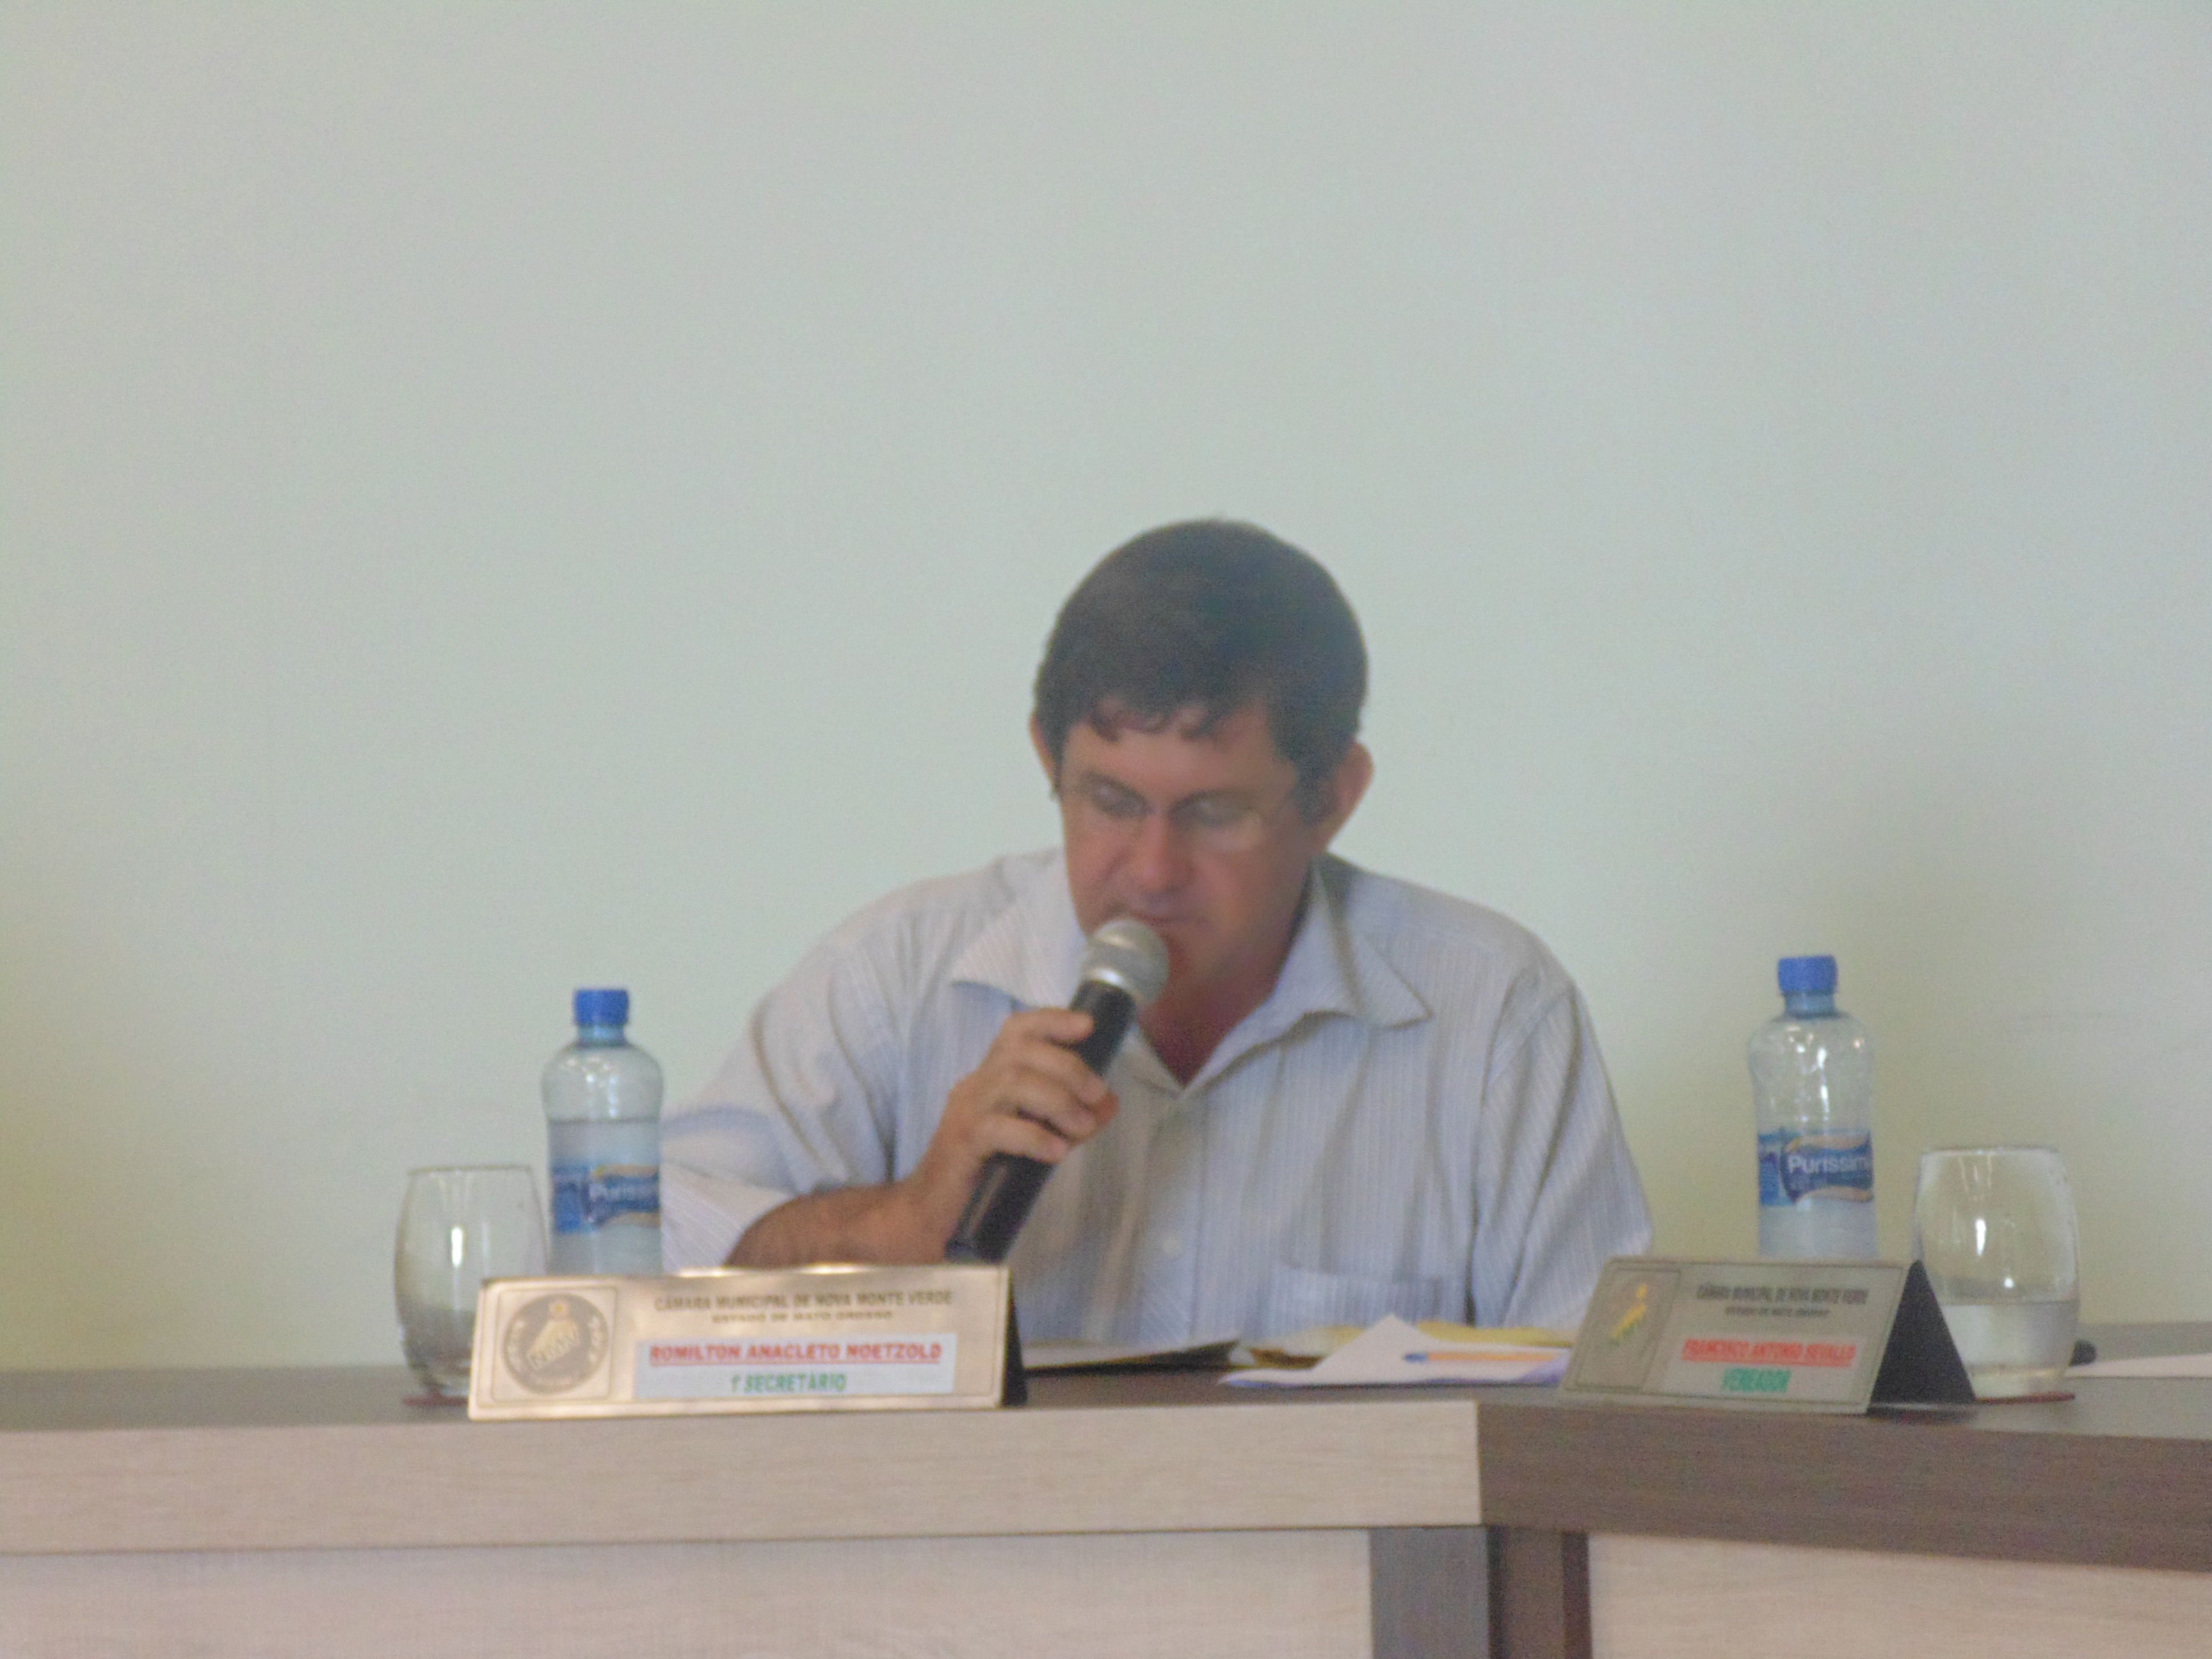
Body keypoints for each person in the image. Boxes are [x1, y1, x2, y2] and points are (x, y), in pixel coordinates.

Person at [661, 520, 1650, 1342]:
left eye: (1213, 814)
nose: (1150, 871)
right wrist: (904, 1222)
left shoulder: (1493, 1013)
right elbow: (644, 1261)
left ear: (1333, 799)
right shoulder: (897, 976)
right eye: (1109, 801)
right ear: (1047, 759)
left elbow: (1595, 1397)